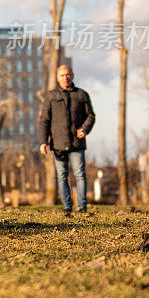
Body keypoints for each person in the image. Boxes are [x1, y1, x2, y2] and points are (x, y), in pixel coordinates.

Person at [38, 65, 95, 214]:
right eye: (62, 75)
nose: (65, 78)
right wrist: (43, 141)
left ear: (73, 75)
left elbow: (91, 116)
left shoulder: (82, 95)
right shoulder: (51, 96)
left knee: (80, 174)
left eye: (68, 75)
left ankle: (82, 207)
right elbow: (44, 119)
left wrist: (84, 129)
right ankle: (67, 207)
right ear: (58, 77)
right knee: (62, 176)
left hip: (77, 142)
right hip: (58, 143)